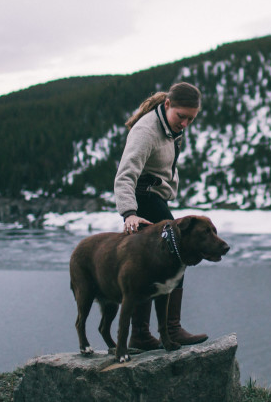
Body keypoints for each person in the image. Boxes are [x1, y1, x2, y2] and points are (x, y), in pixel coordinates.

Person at [114, 81, 205, 351]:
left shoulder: (170, 126)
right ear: (167, 105)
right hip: (144, 202)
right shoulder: (145, 131)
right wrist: (129, 213)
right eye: (182, 116)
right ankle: (171, 330)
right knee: (177, 257)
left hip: (156, 200)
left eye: (191, 118)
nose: (186, 123)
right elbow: (125, 175)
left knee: (146, 271)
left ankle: (141, 336)